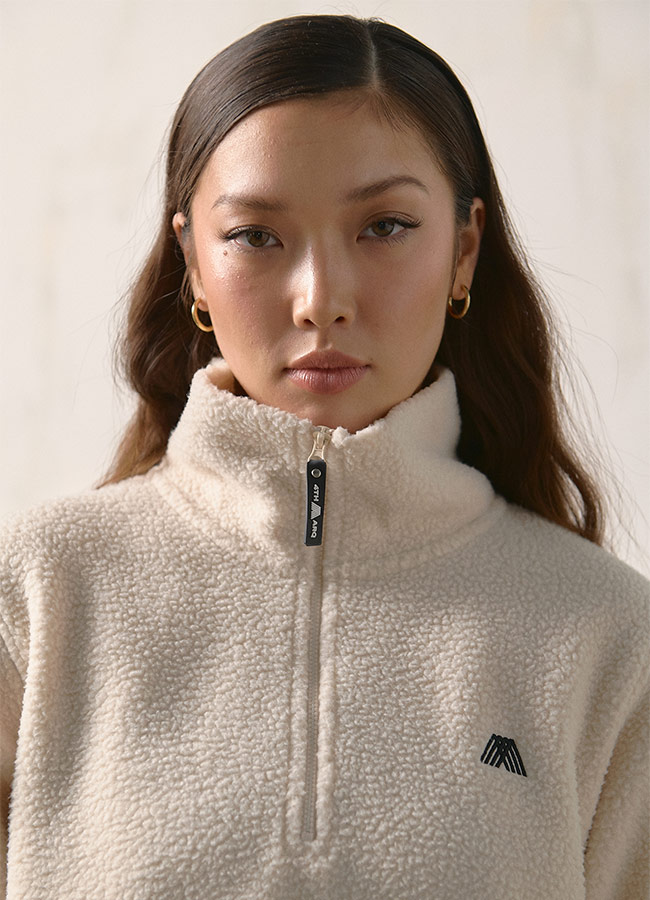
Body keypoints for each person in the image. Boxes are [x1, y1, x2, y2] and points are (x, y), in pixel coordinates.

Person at [0, 13, 647, 900]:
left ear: (464, 250)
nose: (321, 299)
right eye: (255, 236)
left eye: (384, 226)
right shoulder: (38, 594)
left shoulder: (609, 637)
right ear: (193, 263)